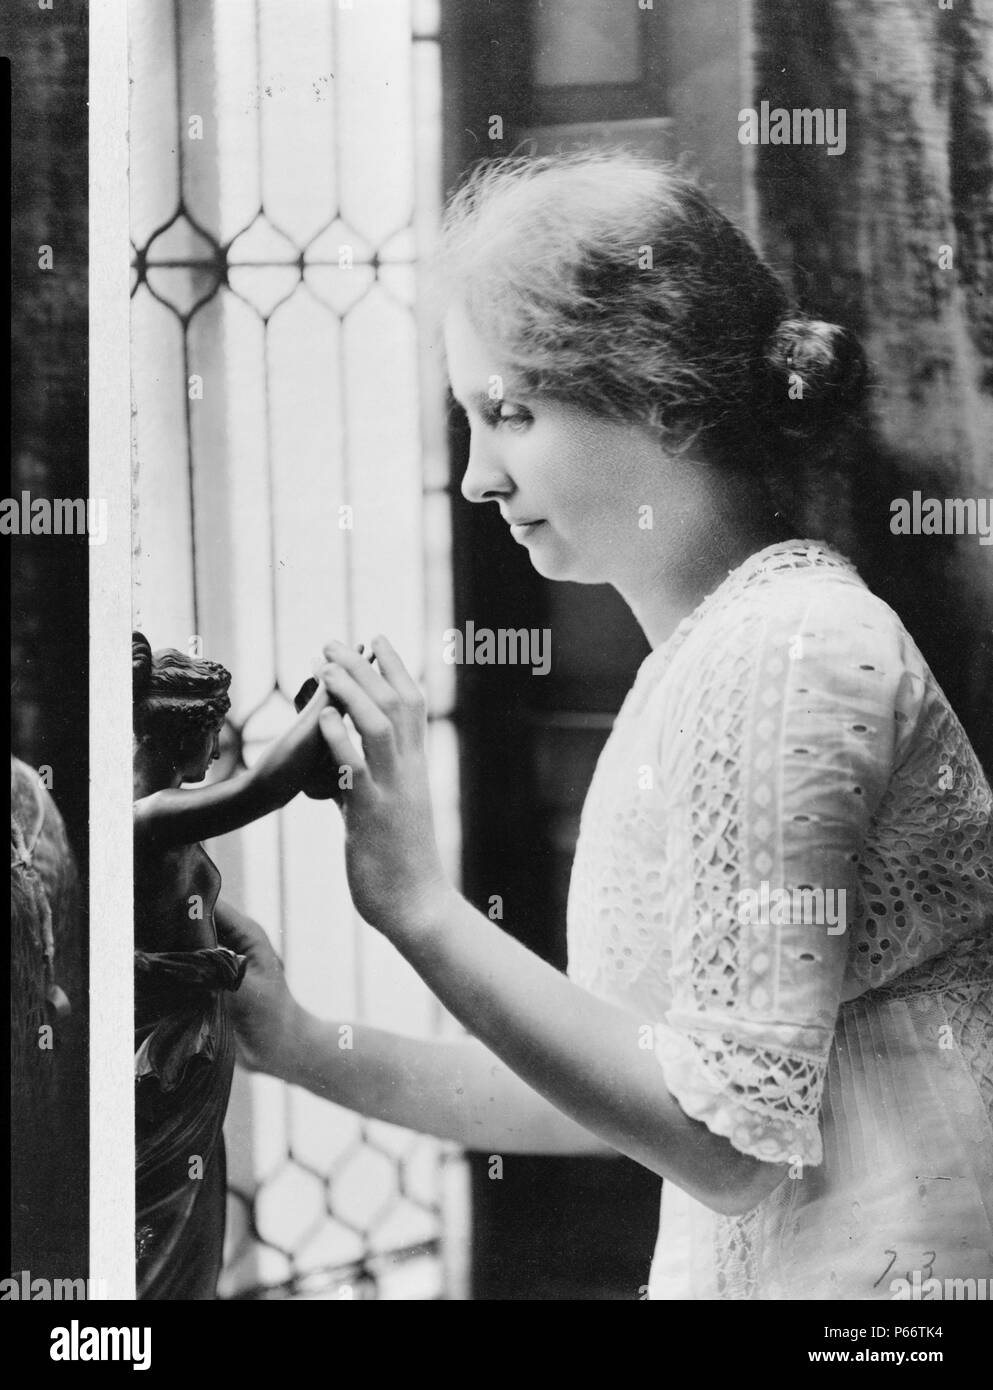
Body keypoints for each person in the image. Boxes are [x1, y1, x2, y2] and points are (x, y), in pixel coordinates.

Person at [220, 152, 993, 1300]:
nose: (479, 475)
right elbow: (635, 1091)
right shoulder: (713, 656)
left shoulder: (791, 652)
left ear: (665, 398)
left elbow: (724, 1147)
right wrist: (300, 1042)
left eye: (512, 413)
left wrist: (420, 907)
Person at [132, 632, 329, 1299]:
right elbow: (264, 788)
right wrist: (328, 702)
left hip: (190, 1049)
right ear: (173, 739)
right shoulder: (150, 816)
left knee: (186, 1226)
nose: (216, 751)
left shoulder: (150, 819)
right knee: (163, 1232)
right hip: (168, 1054)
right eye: (209, 736)